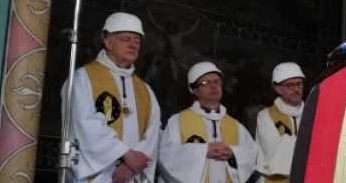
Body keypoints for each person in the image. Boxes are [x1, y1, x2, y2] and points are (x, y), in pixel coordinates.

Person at [60, 12, 161, 182]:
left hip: (131, 176)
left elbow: (152, 133)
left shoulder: (145, 90)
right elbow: (84, 123)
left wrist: (130, 167)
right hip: (97, 175)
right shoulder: (83, 78)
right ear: (108, 42)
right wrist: (125, 155)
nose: (133, 45)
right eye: (126, 39)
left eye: (137, 40)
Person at [158, 62, 258, 183]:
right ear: (194, 90)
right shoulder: (177, 121)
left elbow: (253, 155)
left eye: (216, 81)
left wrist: (233, 153)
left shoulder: (236, 126)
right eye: (205, 83)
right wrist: (203, 151)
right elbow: (166, 157)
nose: (213, 86)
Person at [254, 62, 306, 182]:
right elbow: (275, 152)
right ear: (277, 88)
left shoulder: (312, 113)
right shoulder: (266, 116)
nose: (296, 89)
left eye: (299, 83)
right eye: (290, 85)